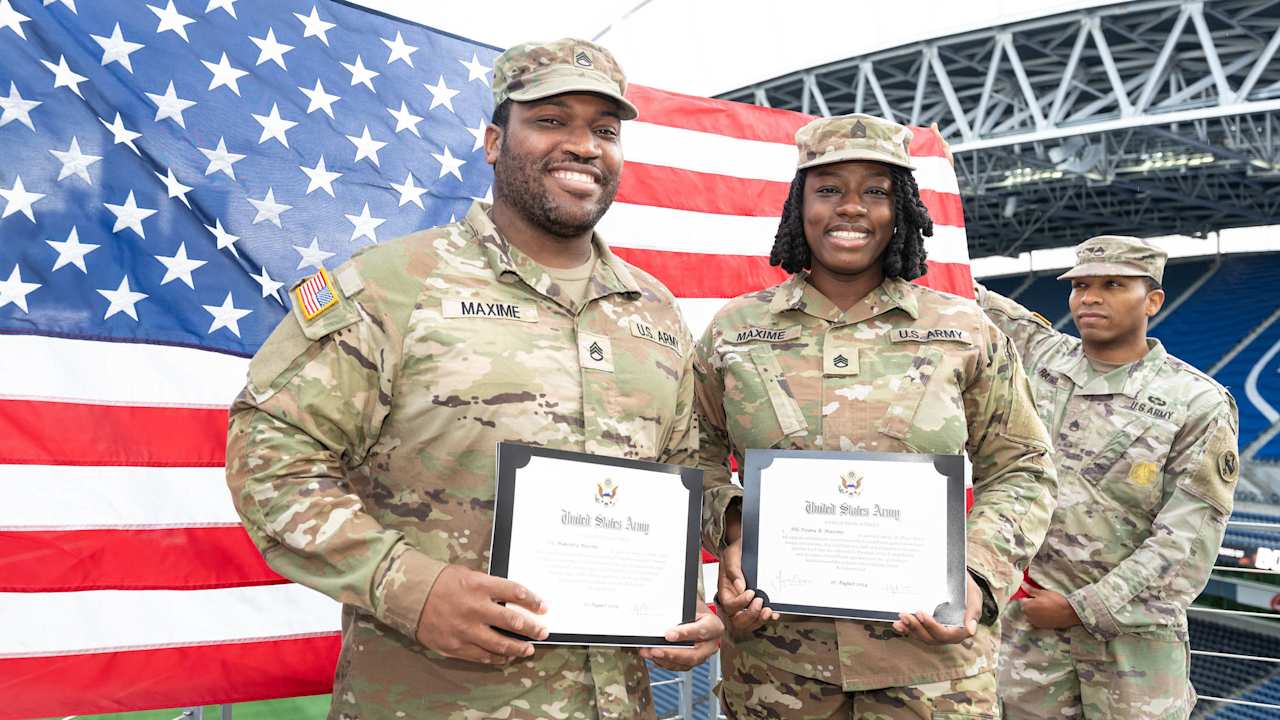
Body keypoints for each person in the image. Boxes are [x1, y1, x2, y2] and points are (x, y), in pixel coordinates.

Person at [225, 38, 722, 720]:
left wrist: (677, 601)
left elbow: (675, 468)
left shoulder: (655, 312)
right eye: (551, 120)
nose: (583, 145)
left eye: (604, 131)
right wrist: (407, 585)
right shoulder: (392, 286)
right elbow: (272, 456)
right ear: (494, 141)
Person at [695, 113, 1058, 718]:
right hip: (778, 673)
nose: (852, 208)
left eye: (876, 192)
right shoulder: (735, 330)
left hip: (933, 676)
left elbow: (1024, 466)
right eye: (829, 189)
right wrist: (732, 527)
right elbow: (692, 454)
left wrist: (975, 573)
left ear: (903, 208)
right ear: (799, 204)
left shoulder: (965, 330)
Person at [976, 236, 1240, 719]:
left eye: (1113, 284)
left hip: (1134, 654)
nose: (1090, 297)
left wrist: (1082, 607)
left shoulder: (1196, 402)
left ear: (1153, 300)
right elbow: (955, 288)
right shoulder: (1041, 358)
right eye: (1080, 285)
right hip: (1028, 646)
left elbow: (1186, 540)